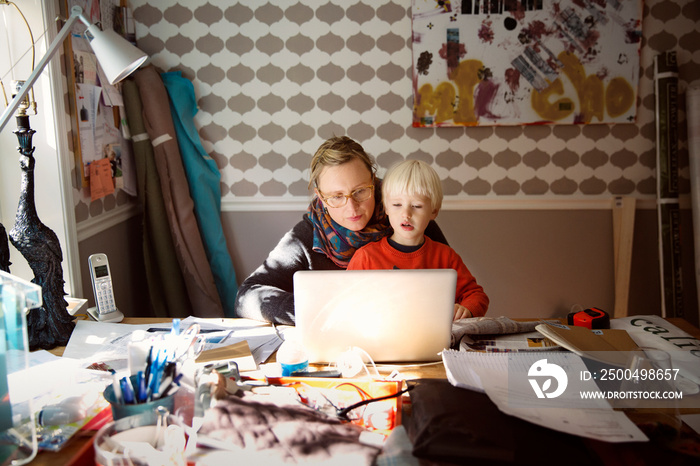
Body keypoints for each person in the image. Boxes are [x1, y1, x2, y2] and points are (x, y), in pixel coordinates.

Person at [235, 136, 448, 325]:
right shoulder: (308, 235)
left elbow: (450, 285)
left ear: (374, 182)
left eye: (360, 191)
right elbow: (246, 296)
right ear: (320, 197)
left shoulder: (407, 217)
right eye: (337, 196)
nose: (352, 207)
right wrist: (316, 309)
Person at [347, 159, 489, 320]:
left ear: (433, 212)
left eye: (417, 206)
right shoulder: (366, 258)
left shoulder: (446, 257)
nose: (406, 214)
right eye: (397, 205)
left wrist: (466, 309)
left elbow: (477, 296)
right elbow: (344, 304)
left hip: (433, 339)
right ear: (386, 207)